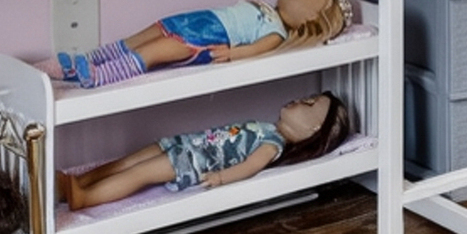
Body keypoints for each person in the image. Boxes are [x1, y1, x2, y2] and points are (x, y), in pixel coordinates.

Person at [57, 91, 355, 211]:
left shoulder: (273, 145)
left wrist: (222, 178)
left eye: (309, 105)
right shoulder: (268, 128)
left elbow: (250, 167)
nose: (300, 100)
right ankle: (79, 182)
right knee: (129, 160)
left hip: (194, 162)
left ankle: (86, 197)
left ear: (313, 131)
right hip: (186, 144)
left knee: (140, 172)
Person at [55, 0, 350, 86]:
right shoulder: (268, 9)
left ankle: (99, 77)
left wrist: (234, 54)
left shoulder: (277, 32)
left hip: (206, 41)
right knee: (140, 38)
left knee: (154, 52)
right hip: (196, 21)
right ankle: (87, 61)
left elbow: (260, 48)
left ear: (311, 20)